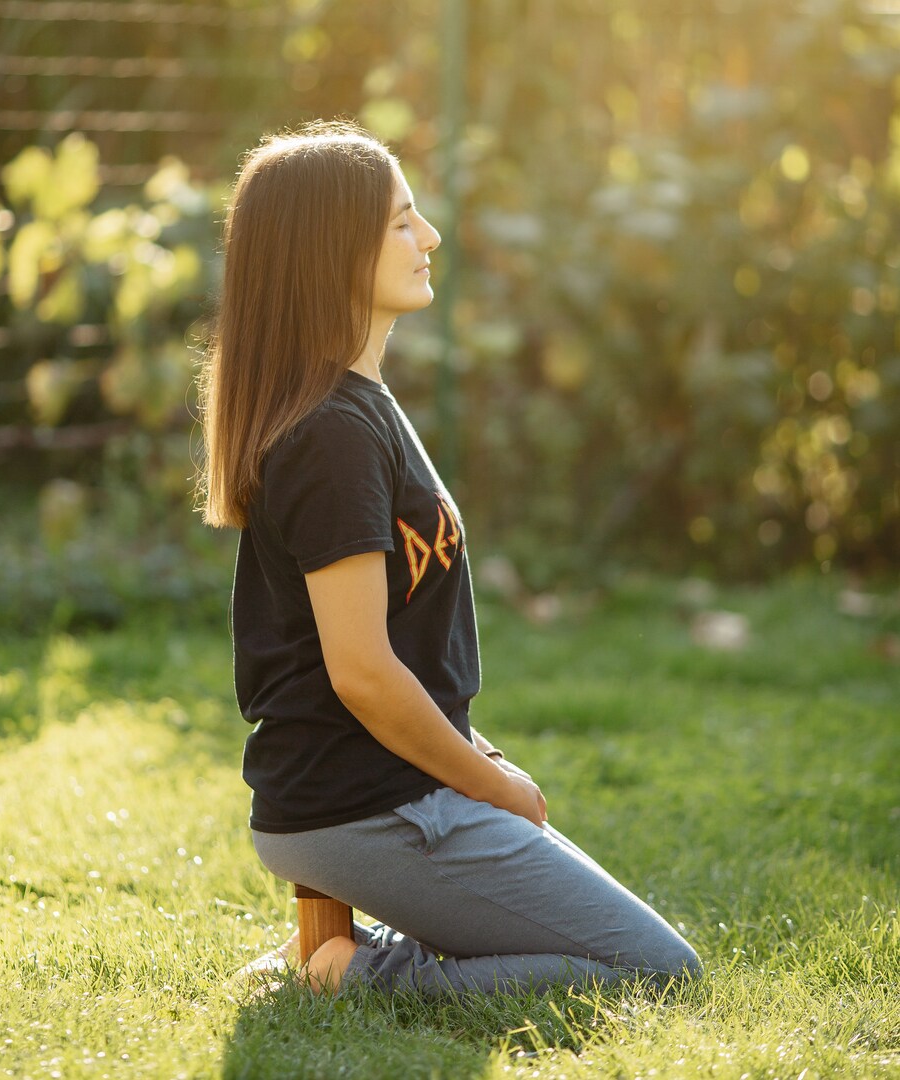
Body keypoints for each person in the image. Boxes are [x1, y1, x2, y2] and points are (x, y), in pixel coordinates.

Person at [198, 120, 702, 997]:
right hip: (367, 806)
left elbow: (400, 648)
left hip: (393, 791)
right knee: (657, 969)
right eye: (401, 222)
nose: (429, 237)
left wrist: (483, 761)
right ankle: (351, 973)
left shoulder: (360, 404)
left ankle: (352, 947)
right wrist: (490, 788)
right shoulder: (331, 436)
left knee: (625, 945)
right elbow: (361, 671)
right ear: (331, 250)